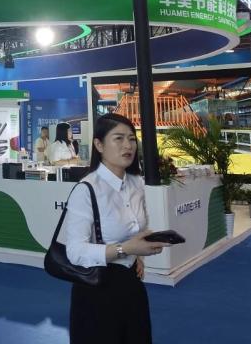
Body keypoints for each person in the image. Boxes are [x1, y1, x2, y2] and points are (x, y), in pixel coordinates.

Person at [61, 113, 170, 344]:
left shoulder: (136, 183)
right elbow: (75, 252)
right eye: (118, 138)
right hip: (97, 289)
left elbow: (136, 228)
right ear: (99, 145)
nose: (128, 146)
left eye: (131, 139)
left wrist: (139, 253)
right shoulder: (87, 189)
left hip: (131, 284)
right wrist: (126, 249)